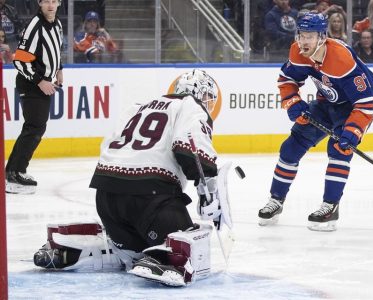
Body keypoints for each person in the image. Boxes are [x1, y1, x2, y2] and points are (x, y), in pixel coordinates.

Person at [32, 70, 231, 287]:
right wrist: (208, 190)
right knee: (187, 240)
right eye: (209, 99)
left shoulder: (139, 106)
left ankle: (84, 250)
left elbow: (108, 145)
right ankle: (163, 259)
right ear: (200, 93)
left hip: (106, 197)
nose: (209, 105)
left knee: (132, 252)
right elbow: (189, 149)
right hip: (150, 200)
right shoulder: (191, 106)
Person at [258, 12, 373, 231]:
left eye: (309, 36)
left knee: (338, 149)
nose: (303, 41)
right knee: (291, 147)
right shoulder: (298, 51)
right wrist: (292, 101)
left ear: (322, 37)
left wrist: (353, 131)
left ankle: (330, 207)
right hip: (326, 102)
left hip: (355, 105)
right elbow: (287, 79)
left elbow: (365, 104)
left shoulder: (342, 60)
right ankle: (276, 200)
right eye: (301, 35)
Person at [6, 0, 64, 194]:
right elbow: (20, 62)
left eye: (54, 1)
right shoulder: (35, 25)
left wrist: (59, 70)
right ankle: (15, 172)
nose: (50, 5)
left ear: (59, 3)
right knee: (34, 127)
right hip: (31, 84)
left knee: (35, 127)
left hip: (43, 83)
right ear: (39, 3)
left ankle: (14, 171)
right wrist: (40, 81)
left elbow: (55, 49)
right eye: (46, 1)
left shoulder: (57, 23)